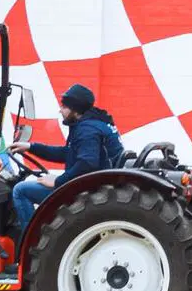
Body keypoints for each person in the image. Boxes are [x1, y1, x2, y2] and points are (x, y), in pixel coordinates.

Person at [9, 83, 127, 232]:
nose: (60, 110)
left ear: (75, 109)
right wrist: (31, 147)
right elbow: (68, 153)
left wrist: (58, 181)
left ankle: (32, 243)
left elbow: (87, 163)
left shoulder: (87, 129)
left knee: (20, 190)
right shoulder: (95, 123)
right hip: (96, 183)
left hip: (89, 190)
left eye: (64, 107)